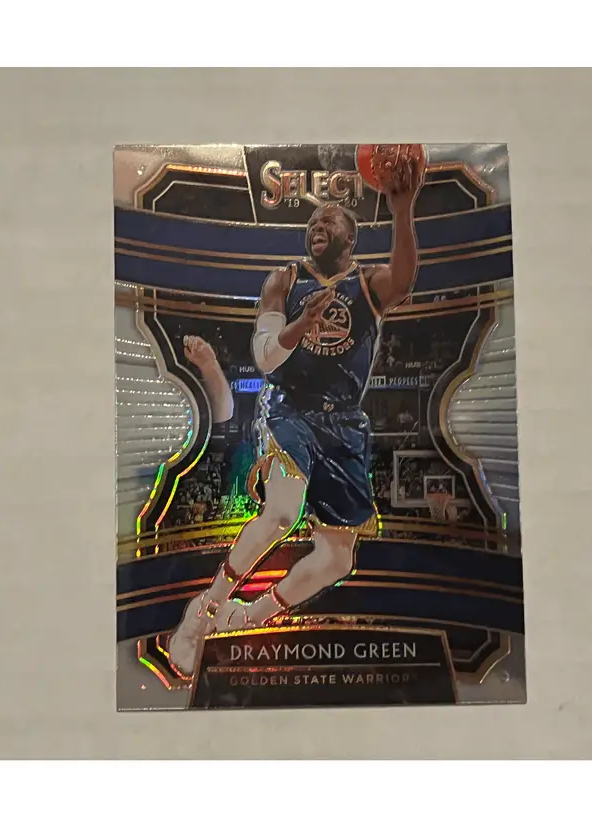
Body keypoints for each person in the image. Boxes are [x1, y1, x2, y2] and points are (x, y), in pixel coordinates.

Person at [168, 144, 425, 678]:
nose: (316, 226)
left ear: (351, 238)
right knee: (282, 512)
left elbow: (404, 280)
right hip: (289, 410)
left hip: (343, 423)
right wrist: (299, 325)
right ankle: (203, 612)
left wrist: (402, 209)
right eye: (311, 223)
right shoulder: (283, 279)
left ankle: (247, 617)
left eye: (328, 220)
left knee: (337, 559)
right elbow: (265, 358)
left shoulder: (367, 284)